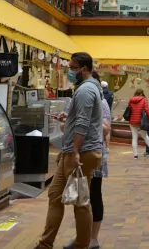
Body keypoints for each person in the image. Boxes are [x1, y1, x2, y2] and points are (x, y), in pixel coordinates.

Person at [35, 53, 102, 249]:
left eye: (73, 68)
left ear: (84, 68)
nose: (69, 71)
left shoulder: (85, 90)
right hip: (73, 152)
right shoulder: (87, 88)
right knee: (55, 195)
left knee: (80, 202)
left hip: (80, 153)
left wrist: (74, 151)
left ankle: (82, 245)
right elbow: (80, 117)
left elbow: (83, 122)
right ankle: (45, 243)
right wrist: (67, 116)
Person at [64, 71, 111, 249]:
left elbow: (107, 128)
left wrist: (90, 123)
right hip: (78, 153)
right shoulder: (76, 101)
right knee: (80, 197)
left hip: (93, 152)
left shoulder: (102, 103)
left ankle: (92, 238)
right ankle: (81, 237)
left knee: (93, 195)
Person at [128, 88, 149, 159]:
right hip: (141, 121)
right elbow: (147, 110)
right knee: (145, 136)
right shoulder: (143, 99)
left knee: (134, 138)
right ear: (142, 93)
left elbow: (129, 109)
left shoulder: (131, 99)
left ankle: (135, 155)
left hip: (132, 121)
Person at [100, 81, 113, 153]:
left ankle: (101, 145)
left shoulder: (99, 92)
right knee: (108, 130)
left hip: (100, 112)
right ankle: (107, 147)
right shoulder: (110, 93)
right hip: (107, 113)